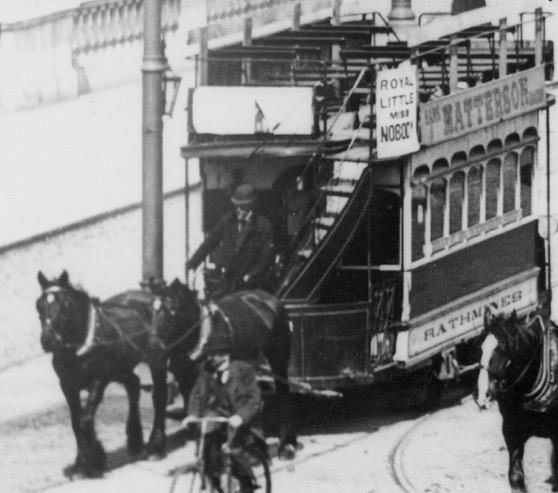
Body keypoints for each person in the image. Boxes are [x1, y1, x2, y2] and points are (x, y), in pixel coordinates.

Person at [185, 336, 262, 493]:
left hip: (241, 413)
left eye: (213, 354)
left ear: (225, 354)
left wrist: (241, 416)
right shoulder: (208, 369)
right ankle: (215, 481)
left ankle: (247, 483)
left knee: (233, 449)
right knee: (206, 443)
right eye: (208, 354)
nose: (210, 358)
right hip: (220, 412)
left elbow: (254, 399)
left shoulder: (243, 369)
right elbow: (198, 393)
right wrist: (192, 414)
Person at [186, 184, 274, 296]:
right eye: (236, 206)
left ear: (250, 206)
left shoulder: (263, 225)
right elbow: (210, 242)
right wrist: (193, 263)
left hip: (250, 285)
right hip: (228, 281)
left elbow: (266, 255)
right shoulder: (227, 221)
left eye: (242, 207)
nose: (238, 210)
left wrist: (251, 275)